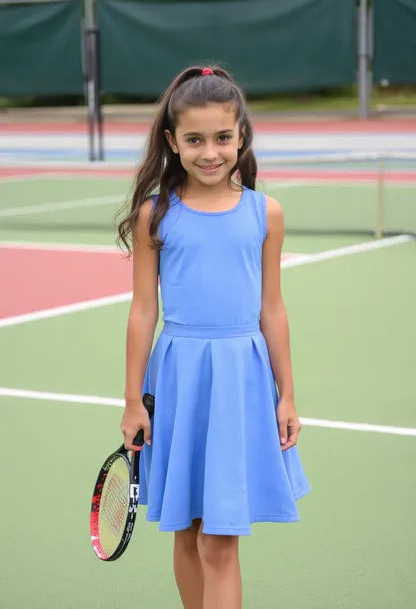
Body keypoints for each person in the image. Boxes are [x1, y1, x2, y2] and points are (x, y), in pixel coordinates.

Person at [117, 65, 311, 609]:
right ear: (171, 142)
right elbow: (142, 312)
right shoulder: (154, 215)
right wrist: (133, 400)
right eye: (195, 139)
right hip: (178, 377)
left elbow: (272, 309)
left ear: (241, 136)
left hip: (243, 380)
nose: (210, 152)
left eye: (223, 137)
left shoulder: (264, 212)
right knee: (187, 527)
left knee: (221, 539)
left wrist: (287, 394)